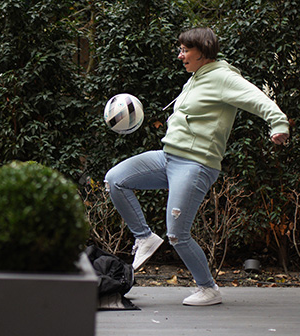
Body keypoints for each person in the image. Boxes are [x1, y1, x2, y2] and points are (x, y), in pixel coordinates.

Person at [104, 27, 289, 306]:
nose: (180, 56)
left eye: (184, 50)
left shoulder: (224, 78)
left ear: (202, 51)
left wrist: (279, 124)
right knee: (115, 179)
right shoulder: (195, 78)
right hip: (168, 157)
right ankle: (144, 237)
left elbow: (259, 99)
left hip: (195, 164)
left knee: (178, 234)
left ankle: (208, 288)